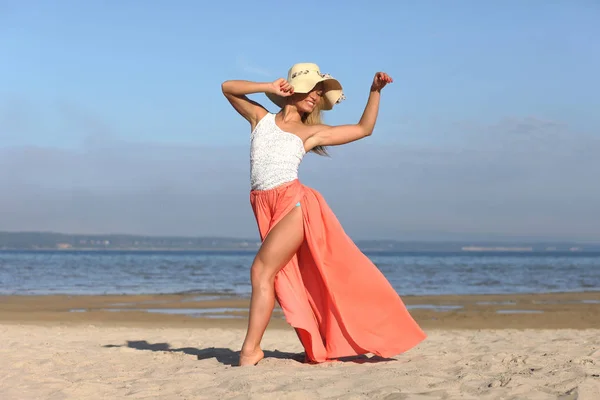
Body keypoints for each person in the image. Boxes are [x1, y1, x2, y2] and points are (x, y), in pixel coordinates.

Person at [221, 63, 426, 366]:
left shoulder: (309, 133)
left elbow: (363, 129)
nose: (317, 97)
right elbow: (228, 87)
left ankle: (251, 350)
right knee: (283, 278)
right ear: (293, 87)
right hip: (264, 205)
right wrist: (268, 87)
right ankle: (303, 343)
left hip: (295, 205)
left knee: (261, 271)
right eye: (313, 90)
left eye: (320, 93)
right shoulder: (260, 118)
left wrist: (374, 92)